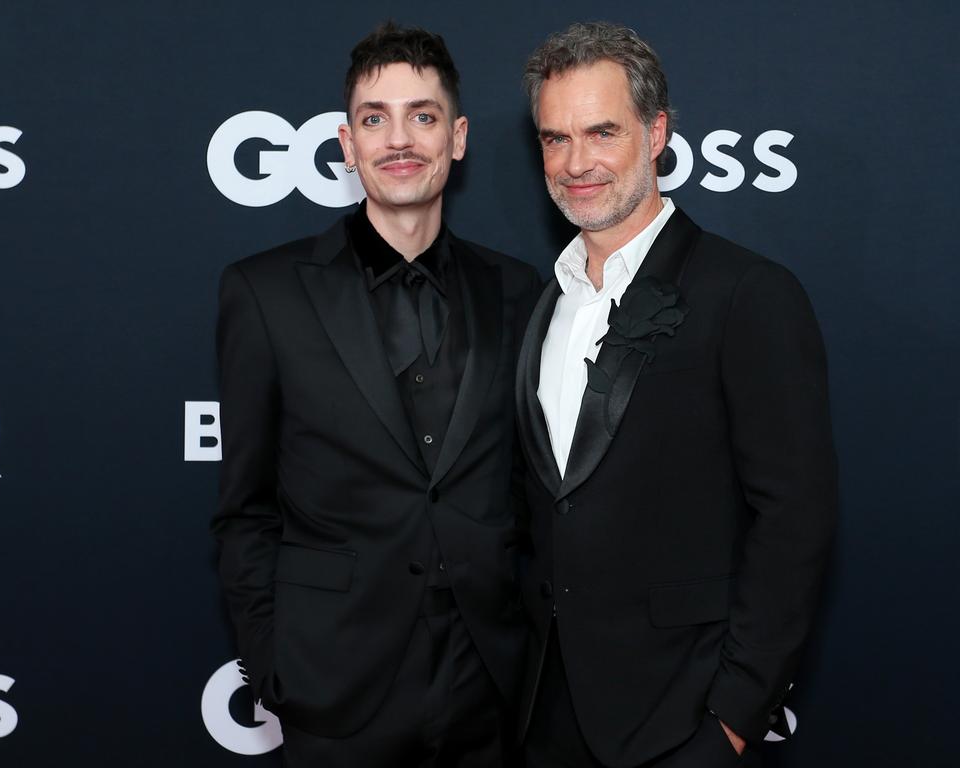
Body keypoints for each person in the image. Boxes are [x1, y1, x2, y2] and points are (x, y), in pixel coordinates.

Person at [211, 21, 539, 768]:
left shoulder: (520, 292)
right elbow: (244, 508)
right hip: (334, 686)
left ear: (456, 139)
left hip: (486, 683)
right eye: (374, 118)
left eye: (422, 116)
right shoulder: (264, 293)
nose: (400, 140)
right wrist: (274, 665)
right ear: (345, 142)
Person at [514, 22, 837, 768]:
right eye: (555, 138)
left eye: (602, 132)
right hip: (543, 714)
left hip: (682, 721)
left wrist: (732, 720)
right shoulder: (543, 302)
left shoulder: (747, 294)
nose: (576, 162)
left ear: (656, 133)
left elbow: (795, 519)